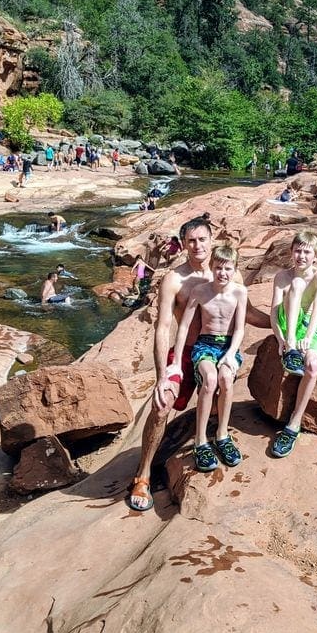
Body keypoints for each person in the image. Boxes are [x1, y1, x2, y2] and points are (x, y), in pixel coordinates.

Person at [127, 216, 216, 511]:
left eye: (202, 239)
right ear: (184, 244)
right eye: (191, 240)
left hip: (214, 351)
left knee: (220, 390)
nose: (197, 245)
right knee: (162, 403)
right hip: (185, 352)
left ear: (211, 239)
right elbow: (163, 327)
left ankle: (210, 443)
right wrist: (162, 375)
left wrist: (282, 330)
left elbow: (247, 311)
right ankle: (143, 473)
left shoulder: (225, 273)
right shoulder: (174, 279)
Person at [170, 245, 247, 472]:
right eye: (218, 268)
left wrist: (231, 355)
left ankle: (222, 435)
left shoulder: (240, 292)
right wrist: (176, 362)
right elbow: (184, 326)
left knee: (225, 378)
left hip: (228, 346)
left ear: (235, 270)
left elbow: (240, 328)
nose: (222, 273)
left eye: (228, 269)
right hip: (205, 345)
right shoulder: (201, 291)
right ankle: (201, 440)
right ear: (212, 267)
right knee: (210, 379)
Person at [268, 230, 317, 458]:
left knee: (312, 367)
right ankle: (291, 348)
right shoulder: (282, 277)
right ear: (291, 252)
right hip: (288, 325)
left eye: (307, 252)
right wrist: (282, 339)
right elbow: (274, 312)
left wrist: (309, 336)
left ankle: (294, 423)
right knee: (296, 283)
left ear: (316, 256)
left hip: (307, 326)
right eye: (297, 251)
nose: (301, 256)